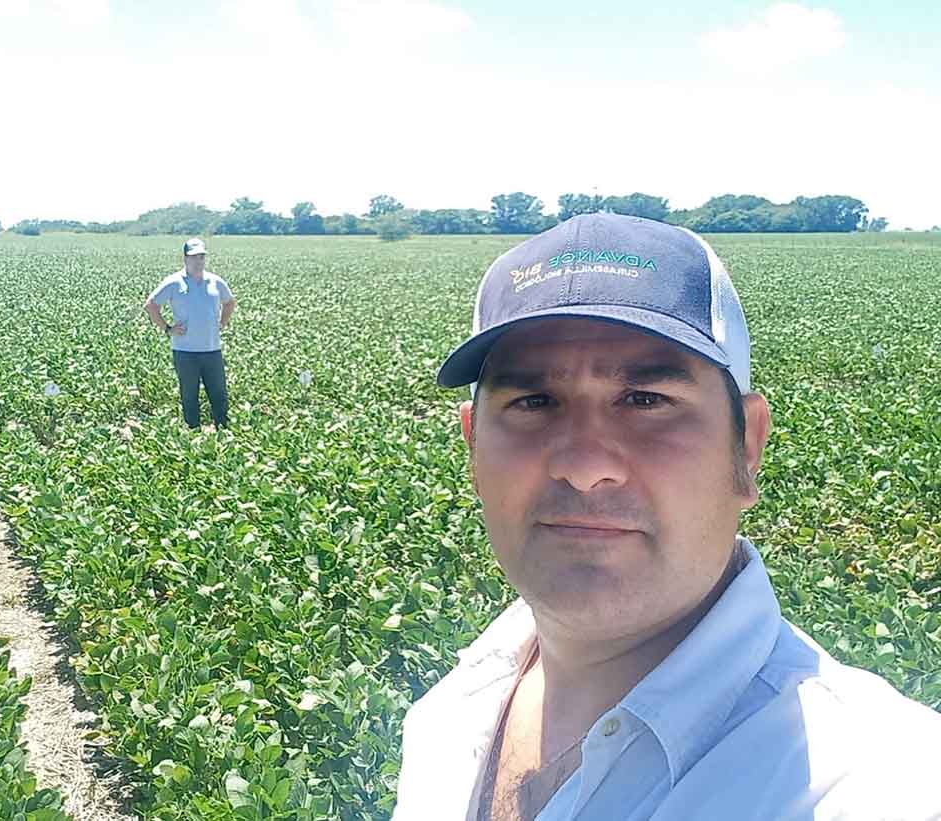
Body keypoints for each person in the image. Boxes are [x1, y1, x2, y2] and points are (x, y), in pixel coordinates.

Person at [393, 213, 941, 820]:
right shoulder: (448, 711)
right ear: (472, 445)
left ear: (748, 445)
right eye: (534, 401)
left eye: (646, 401)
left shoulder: (879, 783)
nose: (584, 465)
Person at [144, 237, 237, 429]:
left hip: (212, 350)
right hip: (185, 352)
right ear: (185, 258)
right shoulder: (174, 282)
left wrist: (223, 323)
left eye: (201, 257)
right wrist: (168, 328)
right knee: (189, 396)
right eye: (194, 257)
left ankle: (224, 434)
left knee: (219, 395)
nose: (198, 261)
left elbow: (230, 302)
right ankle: (193, 437)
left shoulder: (215, 281)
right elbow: (151, 305)